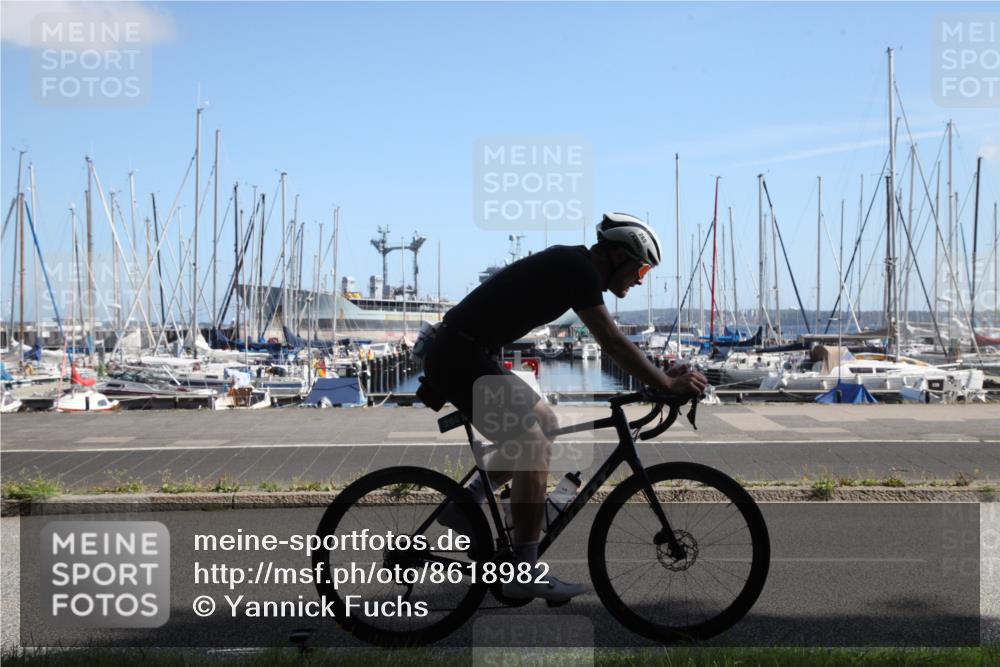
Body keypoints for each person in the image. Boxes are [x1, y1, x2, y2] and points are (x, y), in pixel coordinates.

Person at [422, 212, 708, 603]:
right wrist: (664, 382)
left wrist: (659, 375)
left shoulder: (575, 266)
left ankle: (466, 503)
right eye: (641, 267)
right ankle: (524, 570)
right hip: (459, 355)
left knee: (546, 423)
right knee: (533, 444)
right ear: (618, 256)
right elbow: (610, 339)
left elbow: (613, 340)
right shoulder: (578, 269)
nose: (641, 278)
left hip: (466, 352)